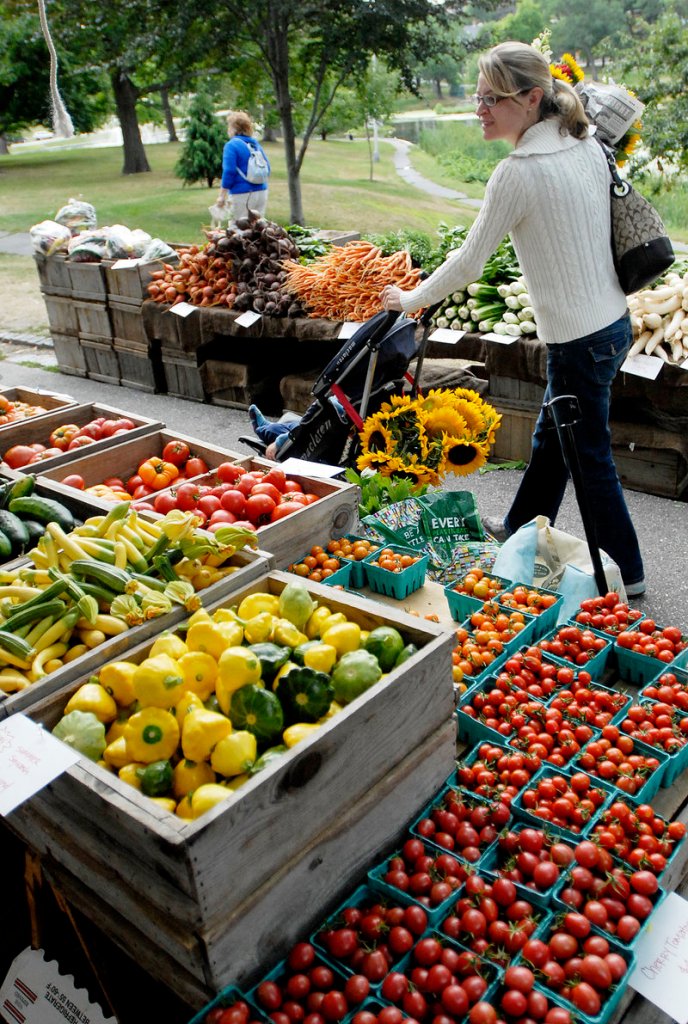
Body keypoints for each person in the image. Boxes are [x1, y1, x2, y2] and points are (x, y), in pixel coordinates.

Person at [380, 41, 645, 597]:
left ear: (530, 99)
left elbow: (469, 261)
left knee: (588, 456)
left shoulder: (519, 172)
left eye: (490, 100)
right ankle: (521, 531)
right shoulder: (583, 140)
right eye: (477, 97)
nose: (479, 110)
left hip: (579, 338)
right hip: (611, 324)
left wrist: (408, 300)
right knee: (555, 440)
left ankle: (629, 571)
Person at [215, 110, 270, 223]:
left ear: (234, 128)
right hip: (261, 191)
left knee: (238, 228)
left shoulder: (231, 145)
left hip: (241, 194)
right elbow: (267, 168)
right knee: (258, 228)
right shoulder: (255, 144)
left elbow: (229, 171)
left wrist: (221, 196)